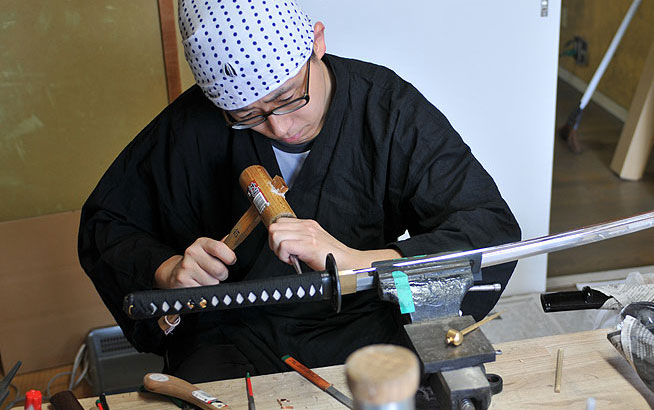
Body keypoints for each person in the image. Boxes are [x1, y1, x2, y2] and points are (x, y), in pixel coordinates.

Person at [79, 0, 521, 383]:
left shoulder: (385, 109)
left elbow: (490, 231)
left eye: (291, 97)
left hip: (367, 318)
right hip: (235, 331)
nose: (281, 127)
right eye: (249, 115)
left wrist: (361, 263)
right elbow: (107, 224)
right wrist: (167, 272)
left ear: (317, 42)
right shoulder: (194, 124)